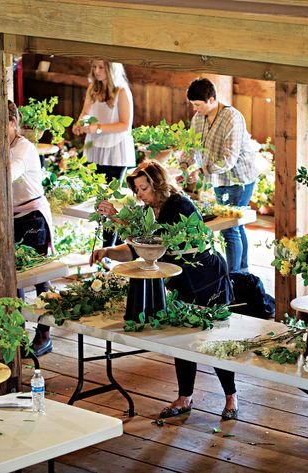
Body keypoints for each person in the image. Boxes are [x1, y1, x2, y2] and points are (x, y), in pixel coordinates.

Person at [90, 161, 239, 420]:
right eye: (137, 190)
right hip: (181, 279)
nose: (140, 195)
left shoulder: (177, 205)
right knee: (182, 339)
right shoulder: (151, 210)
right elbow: (139, 248)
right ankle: (185, 397)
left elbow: (153, 240)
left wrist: (118, 217)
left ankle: (231, 398)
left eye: (144, 188)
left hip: (206, 277)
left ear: (158, 184)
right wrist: (107, 251)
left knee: (215, 339)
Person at [181, 78, 262, 273]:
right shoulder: (198, 118)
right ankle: (243, 270)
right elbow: (191, 146)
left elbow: (229, 158)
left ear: (211, 100)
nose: (195, 109)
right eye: (193, 105)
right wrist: (184, 165)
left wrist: (200, 171)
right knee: (235, 226)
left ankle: (234, 276)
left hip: (239, 179)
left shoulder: (232, 117)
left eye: (198, 105)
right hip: (218, 179)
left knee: (229, 228)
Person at [8, 101, 54, 357]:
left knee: (38, 277)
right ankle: (15, 331)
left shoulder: (24, 148)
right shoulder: (2, 144)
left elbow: (9, 173)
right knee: (13, 275)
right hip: (12, 215)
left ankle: (44, 334)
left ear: (13, 123)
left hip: (33, 217)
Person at [72, 59, 135, 247]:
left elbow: (125, 124)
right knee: (99, 199)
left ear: (111, 69)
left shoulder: (122, 91)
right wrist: (79, 124)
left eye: (101, 67)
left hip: (116, 149)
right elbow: (85, 113)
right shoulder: (93, 89)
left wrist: (97, 127)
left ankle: (109, 248)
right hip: (96, 148)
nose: (97, 71)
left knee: (111, 200)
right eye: (94, 67)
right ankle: (101, 245)